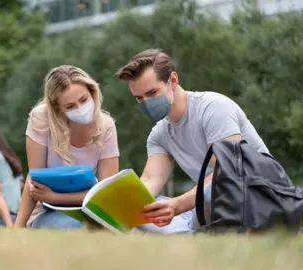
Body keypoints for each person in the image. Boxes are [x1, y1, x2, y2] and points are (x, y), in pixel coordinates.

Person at [115, 48, 270, 233]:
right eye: (139, 98)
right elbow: (150, 180)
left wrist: (178, 204)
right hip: (207, 206)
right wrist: (120, 209)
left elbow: (228, 172)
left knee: (212, 198)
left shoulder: (213, 108)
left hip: (258, 194)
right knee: (148, 213)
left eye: (152, 93)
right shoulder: (158, 135)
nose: (146, 102)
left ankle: (197, 235)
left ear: (173, 80)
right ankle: (196, 238)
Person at [14, 65, 120, 229]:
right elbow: (34, 181)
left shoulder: (106, 126)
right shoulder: (41, 118)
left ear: (92, 92)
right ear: (57, 108)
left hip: (89, 208)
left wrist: (54, 197)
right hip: (46, 211)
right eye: (70, 106)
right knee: (73, 228)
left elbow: (105, 192)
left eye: (84, 100)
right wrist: (18, 228)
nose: (80, 109)